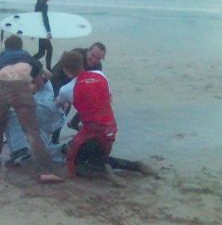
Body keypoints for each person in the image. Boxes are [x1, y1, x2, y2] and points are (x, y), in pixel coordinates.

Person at [56, 51, 153, 185]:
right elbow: (108, 97)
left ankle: (104, 173)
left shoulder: (66, 89)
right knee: (98, 156)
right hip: (110, 128)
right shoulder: (100, 75)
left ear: (66, 70)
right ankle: (135, 166)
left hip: (91, 131)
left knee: (73, 160)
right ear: (82, 63)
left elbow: (59, 103)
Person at [0, 36, 63, 183]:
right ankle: (44, 171)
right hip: (19, 88)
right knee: (31, 129)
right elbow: (41, 80)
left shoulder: (0, 57)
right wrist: (40, 78)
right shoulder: (27, 56)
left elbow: (8, 75)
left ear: (6, 46)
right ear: (21, 47)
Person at [50, 42, 107, 143]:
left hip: (77, 86)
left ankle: (74, 123)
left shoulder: (97, 67)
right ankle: (54, 138)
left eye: (98, 58)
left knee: (91, 103)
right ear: (87, 50)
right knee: (64, 108)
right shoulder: (76, 54)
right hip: (60, 81)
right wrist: (60, 95)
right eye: (92, 55)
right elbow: (55, 74)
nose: (94, 60)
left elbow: (94, 85)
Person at [33, 0, 54, 70]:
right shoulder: (43, 4)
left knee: (41, 53)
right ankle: (49, 68)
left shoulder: (39, 1)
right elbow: (44, 17)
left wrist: (33, 31)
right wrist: (48, 31)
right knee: (50, 49)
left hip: (40, 30)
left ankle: (29, 61)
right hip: (42, 31)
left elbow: (35, 16)